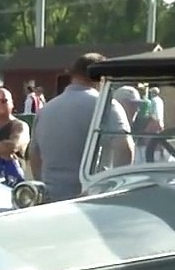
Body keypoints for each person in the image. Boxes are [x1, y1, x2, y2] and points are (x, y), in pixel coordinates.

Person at [28, 53, 132, 202]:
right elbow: (124, 148)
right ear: (102, 77)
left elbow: (34, 155)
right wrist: (113, 188)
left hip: (50, 200)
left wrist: (44, 187)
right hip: (91, 199)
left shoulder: (45, 110)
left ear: (74, 75)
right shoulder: (107, 106)